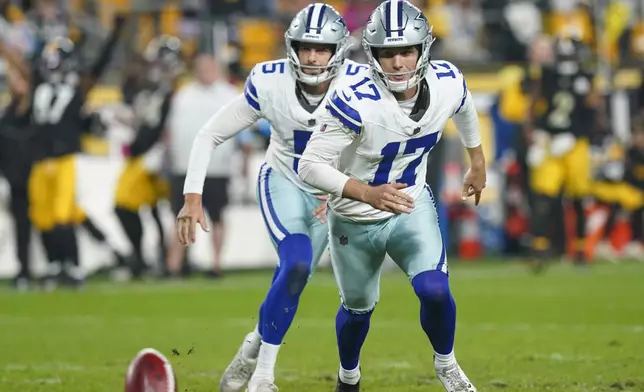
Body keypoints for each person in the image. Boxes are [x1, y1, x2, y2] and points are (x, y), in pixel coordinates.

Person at [298, 1, 484, 391]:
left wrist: (477, 160)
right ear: (373, 55)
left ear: (423, 50)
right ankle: (349, 376)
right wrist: (366, 192)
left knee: (434, 290)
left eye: (406, 51)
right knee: (358, 310)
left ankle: (447, 364)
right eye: (387, 53)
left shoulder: (447, 80)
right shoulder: (354, 99)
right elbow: (310, 165)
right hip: (353, 217)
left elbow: (464, 105)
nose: (398, 62)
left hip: (409, 207)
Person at [176, 4, 360, 391]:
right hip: (284, 180)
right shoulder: (270, 80)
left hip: (328, 191)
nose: (311, 56)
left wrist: (344, 185)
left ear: (337, 50)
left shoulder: (360, 84)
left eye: (322, 48)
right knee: (295, 265)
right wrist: (193, 195)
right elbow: (210, 134)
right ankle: (263, 377)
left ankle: (250, 347)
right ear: (291, 45)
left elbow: (371, 143)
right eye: (305, 46)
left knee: (294, 277)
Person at [0, 15, 125, 289]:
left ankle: (74, 267)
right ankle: (56, 265)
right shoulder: (39, 88)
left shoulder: (76, 90)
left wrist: (114, 35)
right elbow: (20, 66)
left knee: (62, 215)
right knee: (43, 216)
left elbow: (99, 67)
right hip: (39, 160)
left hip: (65, 159)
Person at [166, 54, 252, 278]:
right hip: (184, 168)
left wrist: (243, 160)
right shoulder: (183, 95)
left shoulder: (230, 94)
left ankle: (216, 264)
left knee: (217, 216)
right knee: (181, 215)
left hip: (217, 168)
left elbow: (244, 133)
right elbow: (170, 130)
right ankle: (175, 265)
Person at [526, 35, 601, 269]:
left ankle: (580, 250)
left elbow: (595, 110)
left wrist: (581, 134)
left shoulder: (587, 78)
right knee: (543, 195)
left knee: (578, 196)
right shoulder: (547, 75)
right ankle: (539, 248)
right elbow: (533, 103)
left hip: (576, 143)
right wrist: (536, 134)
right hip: (551, 140)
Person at [113, 35, 182, 279]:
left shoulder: (175, 90)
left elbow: (172, 124)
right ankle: (148, 259)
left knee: (163, 211)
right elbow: (145, 118)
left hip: (159, 156)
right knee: (149, 210)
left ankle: (161, 260)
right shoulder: (151, 88)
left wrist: (161, 151)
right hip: (142, 154)